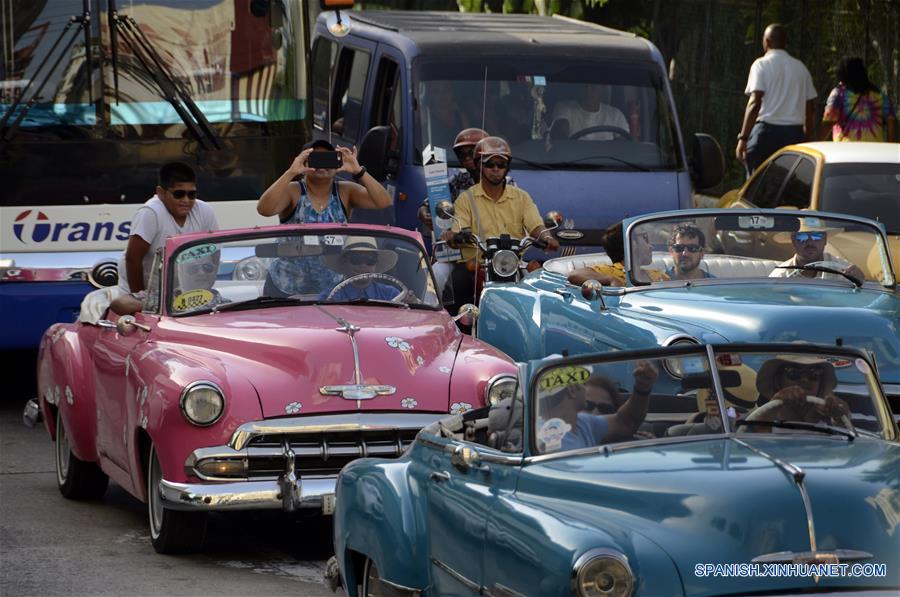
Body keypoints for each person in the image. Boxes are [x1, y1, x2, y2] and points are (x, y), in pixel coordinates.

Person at [258, 139, 391, 296]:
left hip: (331, 289)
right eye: (315, 159)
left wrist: (358, 171)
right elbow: (264, 209)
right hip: (285, 286)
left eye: (328, 160)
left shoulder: (345, 191)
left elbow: (384, 201)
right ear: (304, 162)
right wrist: (291, 172)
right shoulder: (293, 191)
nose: (322, 166)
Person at [442, 136, 560, 313]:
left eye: (501, 165)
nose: (495, 169)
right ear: (479, 165)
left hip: (513, 264)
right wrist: (457, 236)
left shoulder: (521, 197)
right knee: (455, 290)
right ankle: (457, 331)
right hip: (478, 265)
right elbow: (460, 229)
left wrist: (547, 237)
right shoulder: (466, 198)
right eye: (490, 164)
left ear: (507, 168)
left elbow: (535, 225)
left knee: (546, 294)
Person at [116, 162, 218, 297]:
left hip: (181, 294)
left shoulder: (206, 211)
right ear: (160, 193)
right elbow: (132, 258)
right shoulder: (150, 213)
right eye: (179, 194)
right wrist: (141, 297)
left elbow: (213, 254)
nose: (186, 200)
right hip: (143, 292)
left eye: (192, 194)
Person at [736, 23, 816, 176]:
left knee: (757, 184)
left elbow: (754, 103)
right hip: (794, 134)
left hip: (766, 133)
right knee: (789, 183)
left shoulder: (761, 65)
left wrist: (743, 138)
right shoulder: (801, 68)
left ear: (766, 41)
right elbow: (810, 106)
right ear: (785, 43)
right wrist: (806, 135)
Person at [537, 360, 658, 452]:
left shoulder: (582, 423)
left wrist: (642, 388)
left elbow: (625, 421)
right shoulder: (555, 447)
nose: (585, 388)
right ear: (572, 390)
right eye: (583, 383)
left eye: (605, 409)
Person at [111, 246, 225, 316]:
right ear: (180, 273)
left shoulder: (225, 303)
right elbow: (120, 304)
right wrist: (168, 306)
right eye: (193, 269)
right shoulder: (163, 297)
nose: (202, 273)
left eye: (207, 268)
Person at [752, 354, 850, 426]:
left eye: (814, 373)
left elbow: (850, 446)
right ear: (778, 381)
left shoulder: (830, 419)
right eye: (794, 372)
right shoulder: (759, 417)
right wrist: (773, 406)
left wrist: (840, 417)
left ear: (820, 383)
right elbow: (753, 437)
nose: (804, 379)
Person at [567, 222, 668, 287]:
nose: (651, 246)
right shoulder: (609, 271)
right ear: (631, 243)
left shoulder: (657, 274)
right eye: (645, 238)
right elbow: (574, 275)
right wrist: (610, 279)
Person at [821, 56, 896, 142]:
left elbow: (828, 122)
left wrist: (817, 143)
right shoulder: (879, 95)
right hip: (875, 151)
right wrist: (890, 143)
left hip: (846, 151)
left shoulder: (839, 94)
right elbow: (891, 120)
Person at [769, 219, 865, 281]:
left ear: (825, 240)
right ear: (793, 242)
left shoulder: (843, 270)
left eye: (816, 236)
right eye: (803, 236)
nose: (810, 242)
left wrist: (859, 281)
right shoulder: (780, 277)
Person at [320, 237, 404, 302]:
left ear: (376, 263)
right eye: (356, 259)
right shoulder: (329, 297)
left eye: (370, 260)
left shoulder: (391, 294)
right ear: (344, 262)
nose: (363, 265)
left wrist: (411, 303)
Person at [549, 83, 630, 140]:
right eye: (585, 85)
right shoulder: (564, 108)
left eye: (593, 86)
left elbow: (625, 147)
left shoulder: (616, 115)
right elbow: (560, 137)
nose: (588, 89)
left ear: (603, 88)